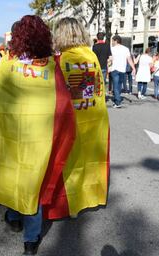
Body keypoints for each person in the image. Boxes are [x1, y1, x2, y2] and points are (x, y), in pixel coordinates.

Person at [0, 15, 76, 255]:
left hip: (11, 137)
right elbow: (63, 104)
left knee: (14, 178)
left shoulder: (7, 65)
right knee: (33, 184)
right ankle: (31, 239)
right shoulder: (51, 67)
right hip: (41, 139)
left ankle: (15, 217)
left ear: (17, 39)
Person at [52, 17, 110, 220]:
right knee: (91, 161)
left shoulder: (61, 60)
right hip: (94, 118)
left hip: (71, 122)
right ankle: (90, 197)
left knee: (70, 163)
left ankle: (70, 203)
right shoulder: (91, 55)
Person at [109, 35, 136, 108]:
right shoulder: (126, 49)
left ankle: (117, 102)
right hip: (122, 70)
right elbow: (129, 59)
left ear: (116, 41)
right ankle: (117, 99)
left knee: (115, 86)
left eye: (112, 41)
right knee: (119, 86)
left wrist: (109, 65)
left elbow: (110, 59)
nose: (112, 42)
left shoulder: (112, 49)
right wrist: (134, 68)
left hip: (115, 69)